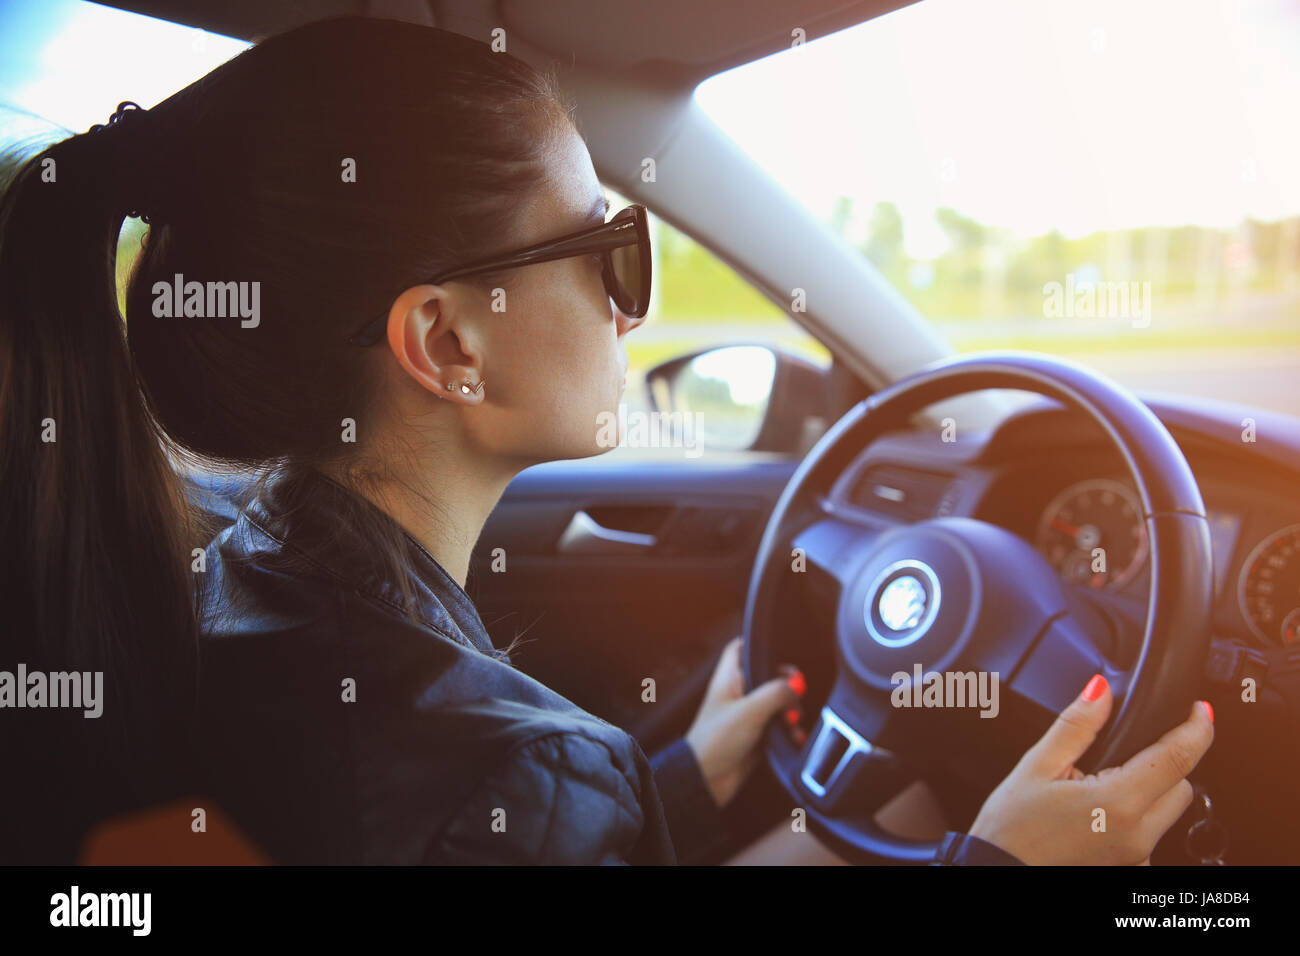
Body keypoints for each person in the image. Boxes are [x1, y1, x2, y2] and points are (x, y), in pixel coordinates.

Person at [0, 16, 1214, 865]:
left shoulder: (211, 592)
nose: (633, 304)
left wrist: (663, 782)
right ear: (447, 343)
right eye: (605, 249)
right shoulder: (508, 776)